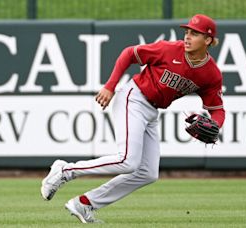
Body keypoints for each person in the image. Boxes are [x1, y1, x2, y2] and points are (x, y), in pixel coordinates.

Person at [40, 14, 225, 223]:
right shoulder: (169, 49)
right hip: (134, 98)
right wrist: (110, 86)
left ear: (208, 40)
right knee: (128, 160)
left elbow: (218, 110)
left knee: (148, 173)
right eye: (187, 31)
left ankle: (84, 203)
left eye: (194, 33)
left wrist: (215, 125)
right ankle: (65, 170)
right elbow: (130, 53)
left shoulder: (211, 74)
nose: (188, 36)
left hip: (152, 112)